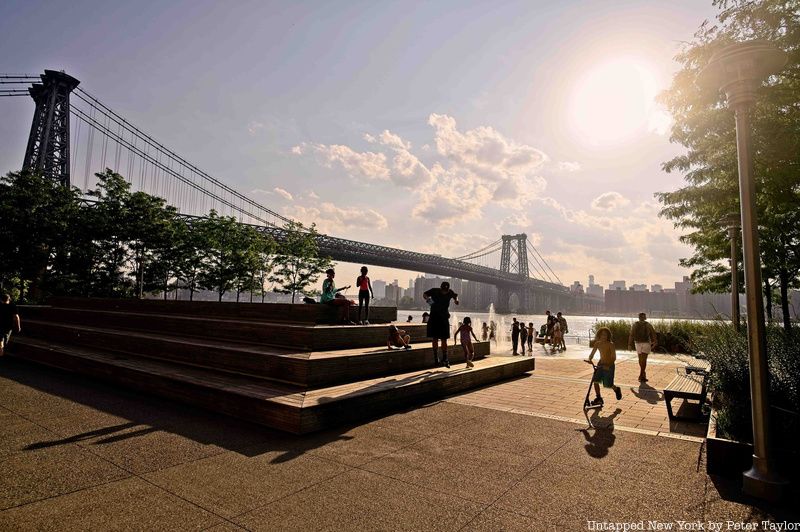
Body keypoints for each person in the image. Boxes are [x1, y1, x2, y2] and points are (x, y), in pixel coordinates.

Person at [422, 282, 459, 368]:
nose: (444, 292)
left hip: (444, 318)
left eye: (446, 291)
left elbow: (455, 295)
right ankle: (436, 358)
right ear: (440, 288)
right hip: (434, 317)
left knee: (444, 339)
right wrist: (429, 300)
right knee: (435, 338)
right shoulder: (434, 291)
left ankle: (445, 359)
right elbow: (424, 294)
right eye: (443, 291)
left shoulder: (450, 292)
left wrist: (456, 300)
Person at [587, 327, 623, 405]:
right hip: (600, 364)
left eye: (605, 335)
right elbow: (592, 353)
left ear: (608, 336)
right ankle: (599, 398)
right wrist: (590, 359)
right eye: (602, 335)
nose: (604, 337)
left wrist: (608, 365)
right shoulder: (597, 343)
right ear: (599, 335)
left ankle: (616, 389)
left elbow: (614, 357)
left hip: (609, 365)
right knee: (595, 381)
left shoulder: (611, 344)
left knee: (608, 384)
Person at [628, 312, 657, 382]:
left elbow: (631, 335)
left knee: (640, 359)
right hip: (646, 343)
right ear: (645, 317)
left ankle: (642, 374)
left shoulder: (635, 325)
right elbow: (653, 333)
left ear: (639, 317)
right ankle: (642, 374)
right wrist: (655, 341)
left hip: (637, 343)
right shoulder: (648, 325)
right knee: (644, 360)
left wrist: (629, 344)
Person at [0, 293, 20, 357]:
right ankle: (1, 353)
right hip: (8, 326)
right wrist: (18, 326)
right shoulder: (13, 305)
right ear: (9, 299)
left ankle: (1, 353)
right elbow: (16, 317)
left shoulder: (10, 305)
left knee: (2, 340)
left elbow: (16, 317)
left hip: (4, 326)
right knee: (3, 340)